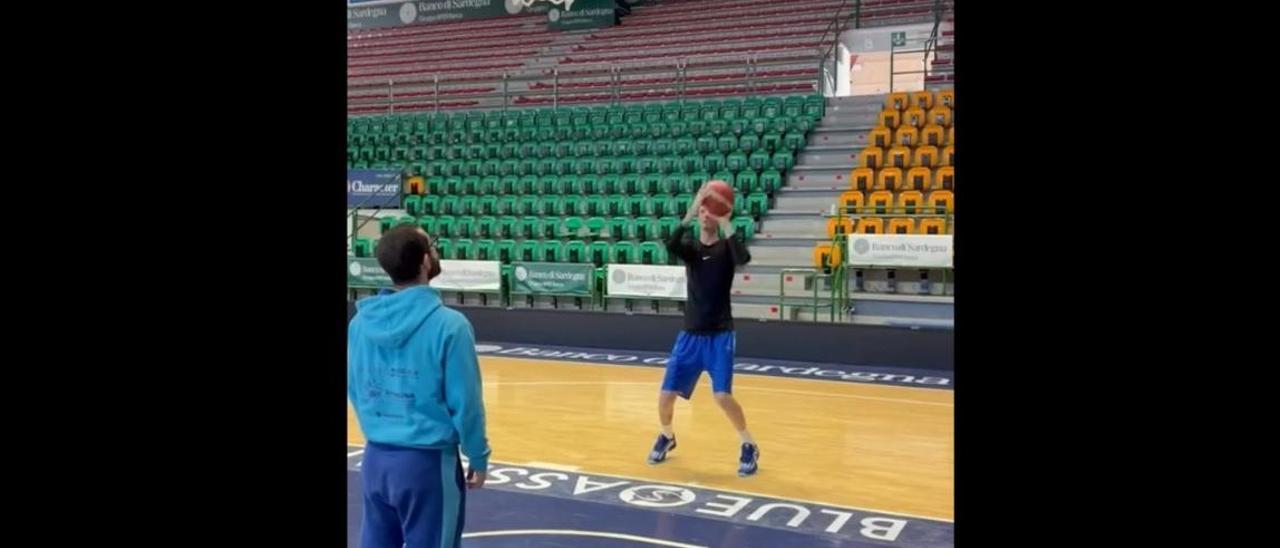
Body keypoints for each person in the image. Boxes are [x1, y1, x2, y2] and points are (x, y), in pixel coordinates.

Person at [348, 225, 491, 548]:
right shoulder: (450, 325)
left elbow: (355, 389)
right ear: (426, 261)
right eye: (433, 245)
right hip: (427, 465)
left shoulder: (359, 324)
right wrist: (477, 455)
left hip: (375, 460)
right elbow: (466, 404)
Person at [648, 182, 759, 476]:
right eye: (703, 212)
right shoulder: (692, 251)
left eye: (711, 211)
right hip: (690, 335)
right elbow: (671, 244)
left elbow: (743, 258)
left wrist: (725, 220)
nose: (707, 214)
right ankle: (667, 436)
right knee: (665, 395)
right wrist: (693, 208)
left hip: (720, 335)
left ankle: (748, 444)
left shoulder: (725, 249)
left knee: (722, 396)